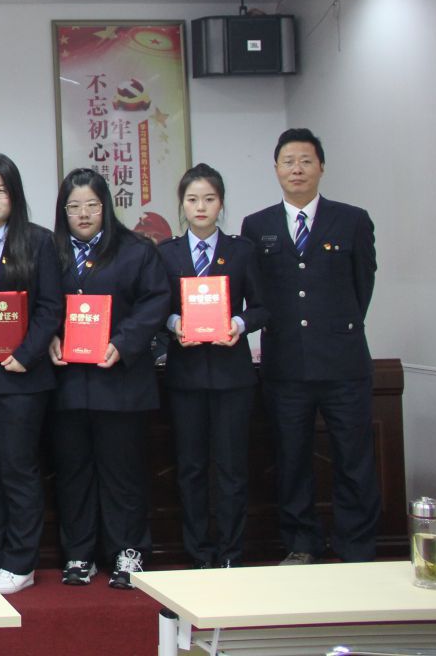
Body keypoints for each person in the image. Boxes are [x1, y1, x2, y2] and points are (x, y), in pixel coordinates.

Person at [241, 128, 379, 564]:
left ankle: (356, 546)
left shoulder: (352, 220)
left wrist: (334, 329)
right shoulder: (256, 225)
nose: (296, 169)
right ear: (276, 169)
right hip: (285, 366)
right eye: (288, 161)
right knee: (292, 460)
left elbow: (362, 286)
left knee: (354, 460)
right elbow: (256, 293)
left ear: (321, 166)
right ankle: (301, 544)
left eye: (305, 160)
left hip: (344, 364)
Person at [48, 168, 168, 589]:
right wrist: (49, 338)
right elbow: (41, 305)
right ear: (63, 211)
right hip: (68, 385)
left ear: (106, 207)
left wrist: (124, 341)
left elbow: (156, 301)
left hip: (120, 383)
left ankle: (128, 552)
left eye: (91, 205)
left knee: (123, 473)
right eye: (74, 206)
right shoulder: (50, 251)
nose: (83, 214)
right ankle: (79, 553)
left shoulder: (136, 250)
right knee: (74, 473)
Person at [157, 163, 268, 570]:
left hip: (232, 377)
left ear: (221, 203)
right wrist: (174, 324)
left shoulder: (242, 251)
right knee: (190, 469)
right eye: (192, 199)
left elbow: (262, 307)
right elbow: (155, 308)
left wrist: (238, 323)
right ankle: (199, 552)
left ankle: (231, 553)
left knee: (232, 469)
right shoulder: (166, 253)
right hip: (185, 376)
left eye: (209, 199)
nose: (200, 207)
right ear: (182, 205)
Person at [0, 153, 62, 595]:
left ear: (14, 195)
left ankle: (21, 562)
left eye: (0, 190)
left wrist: (26, 354)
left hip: (22, 377)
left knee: (17, 468)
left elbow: (51, 307)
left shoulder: (38, 241)